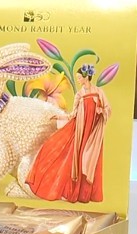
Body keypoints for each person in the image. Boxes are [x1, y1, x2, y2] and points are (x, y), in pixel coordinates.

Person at [26, 64, 111, 203]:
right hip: (79, 130)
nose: (78, 80)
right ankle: (73, 192)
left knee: (89, 159)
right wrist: (60, 117)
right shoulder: (79, 95)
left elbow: (107, 108)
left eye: (79, 77)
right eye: (77, 77)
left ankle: (86, 193)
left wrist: (101, 111)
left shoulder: (98, 92)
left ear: (86, 77)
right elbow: (73, 114)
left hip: (92, 132)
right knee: (64, 152)